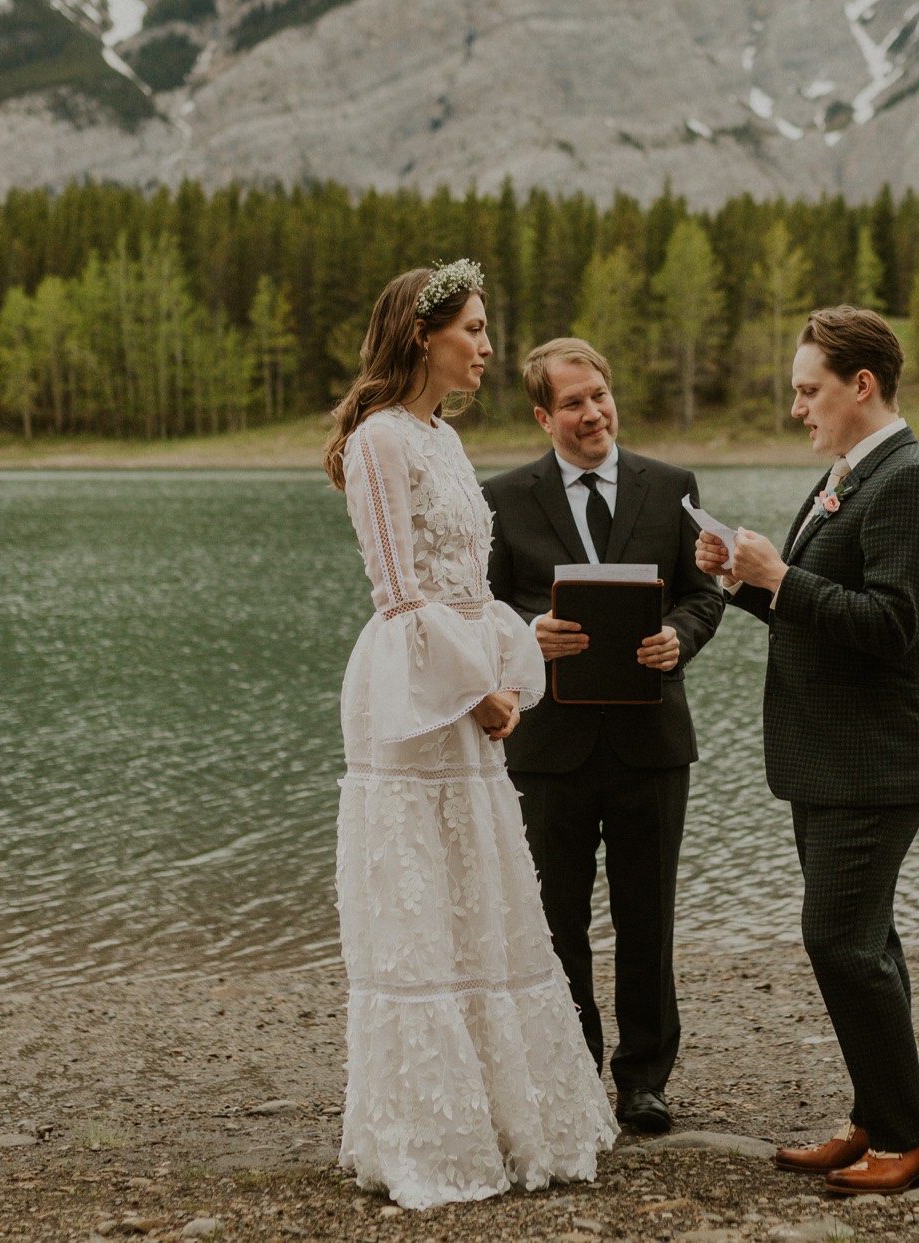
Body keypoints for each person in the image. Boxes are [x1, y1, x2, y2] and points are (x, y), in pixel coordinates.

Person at [323, 264, 615, 1211]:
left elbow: (472, 589)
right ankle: (428, 1133)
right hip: (412, 695)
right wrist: (473, 691)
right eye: (475, 330)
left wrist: (508, 662)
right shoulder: (378, 440)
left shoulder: (444, 438)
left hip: (462, 673)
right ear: (422, 333)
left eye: (487, 330)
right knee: (420, 907)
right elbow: (400, 594)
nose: (489, 347)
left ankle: (501, 1117)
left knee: (477, 894)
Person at [695, 306, 919, 1196]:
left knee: (838, 941)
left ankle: (910, 1135)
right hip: (831, 759)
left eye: (809, 390)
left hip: (876, 761)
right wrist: (742, 576)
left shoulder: (911, 482)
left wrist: (780, 576)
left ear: (862, 386)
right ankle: (875, 1116)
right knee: (865, 941)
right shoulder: (852, 473)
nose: (798, 406)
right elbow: (818, 605)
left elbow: (890, 626)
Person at [483, 339, 725, 1134]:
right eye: (574, 403)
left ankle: (644, 1080)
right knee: (556, 919)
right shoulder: (504, 499)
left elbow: (703, 594)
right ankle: (574, 1068)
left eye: (600, 395)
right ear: (542, 415)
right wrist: (528, 632)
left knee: (648, 915)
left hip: (652, 744)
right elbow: (479, 610)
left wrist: (679, 639)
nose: (594, 413)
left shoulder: (674, 486)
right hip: (547, 749)